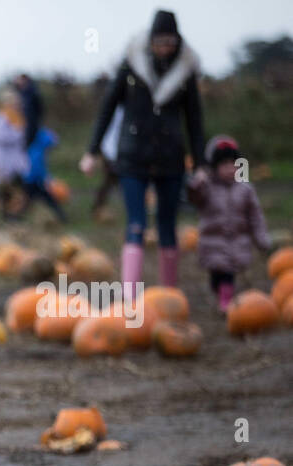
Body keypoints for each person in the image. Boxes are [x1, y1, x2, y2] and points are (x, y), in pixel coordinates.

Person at [80, 9, 205, 291]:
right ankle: (130, 297)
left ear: (178, 43)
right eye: (160, 42)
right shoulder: (130, 67)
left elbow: (195, 121)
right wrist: (92, 151)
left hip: (170, 157)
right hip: (133, 156)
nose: (164, 48)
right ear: (150, 41)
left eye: (170, 43)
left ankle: (169, 294)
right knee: (136, 223)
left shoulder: (185, 73)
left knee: (167, 225)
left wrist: (200, 164)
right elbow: (107, 109)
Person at [187, 135, 272, 314]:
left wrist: (262, 239)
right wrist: (197, 183)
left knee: (227, 276)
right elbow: (194, 198)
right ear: (214, 167)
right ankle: (220, 293)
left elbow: (255, 216)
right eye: (224, 165)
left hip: (237, 243)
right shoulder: (207, 187)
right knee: (216, 278)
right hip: (213, 243)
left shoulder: (245, 189)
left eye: (233, 164)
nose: (230, 169)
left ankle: (226, 303)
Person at [0, 87, 30, 221]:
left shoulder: (17, 117)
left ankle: (16, 212)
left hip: (15, 156)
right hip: (2, 156)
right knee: (5, 187)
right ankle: (5, 213)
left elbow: (22, 134)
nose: (16, 105)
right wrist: (14, 136)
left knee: (19, 186)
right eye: (13, 102)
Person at [20, 126, 66, 222]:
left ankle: (17, 216)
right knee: (45, 199)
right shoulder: (38, 151)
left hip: (31, 180)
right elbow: (37, 168)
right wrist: (46, 179)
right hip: (32, 180)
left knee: (29, 199)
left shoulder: (36, 146)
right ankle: (61, 216)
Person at [14, 73, 45, 147]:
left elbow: (40, 109)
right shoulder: (20, 92)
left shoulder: (33, 93)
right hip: (23, 124)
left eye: (20, 79)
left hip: (31, 124)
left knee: (30, 145)